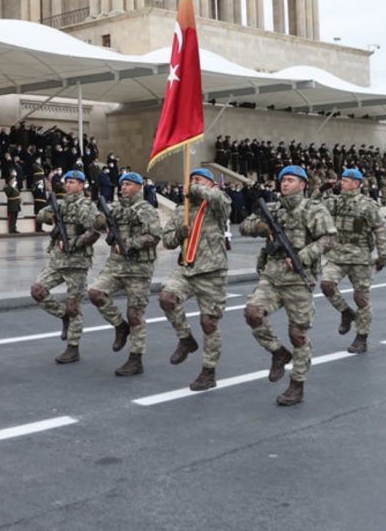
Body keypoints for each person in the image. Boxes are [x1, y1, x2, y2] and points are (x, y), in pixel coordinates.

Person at [239, 165, 336, 406]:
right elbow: (244, 226)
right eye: (283, 180)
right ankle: (277, 352)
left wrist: (302, 256)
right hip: (272, 276)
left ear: (302, 185)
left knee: (298, 334)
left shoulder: (314, 209)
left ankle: (297, 384)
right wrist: (261, 227)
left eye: (291, 180)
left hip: (298, 281)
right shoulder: (272, 208)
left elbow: (329, 239)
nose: (285, 184)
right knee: (252, 313)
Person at [158, 167, 232, 391]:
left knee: (209, 323)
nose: (192, 184)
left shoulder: (217, 205)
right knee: (167, 298)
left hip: (212, 272)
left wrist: (197, 188)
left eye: (199, 180)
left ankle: (208, 372)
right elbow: (168, 241)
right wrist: (181, 233)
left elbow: (221, 201)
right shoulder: (183, 210)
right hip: (187, 268)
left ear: (210, 184)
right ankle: (185, 338)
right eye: (191, 181)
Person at [88, 172, 162, 377]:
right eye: (122, 185)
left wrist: (131, 244)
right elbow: (98, 224)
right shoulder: (116, 208)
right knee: (95, 293)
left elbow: (155, 235)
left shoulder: (146, 209)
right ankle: (120, 326)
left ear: (139, 187)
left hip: (139, 269)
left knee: (135, 314)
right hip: (116, 266)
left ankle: (136, 358)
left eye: (128, 184)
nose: (123, 188)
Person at [32, 170, 106, 364]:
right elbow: (40, 215)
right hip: (57, 261)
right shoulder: (61, 204)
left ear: (82, 185)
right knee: (37, 290)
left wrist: (73, 243)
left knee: (74, 305)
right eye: (67, 182)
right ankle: (62, 315)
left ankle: (73, 347)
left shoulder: (87, 206)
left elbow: (94, 232)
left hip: (77, 262)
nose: (68, 185)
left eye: (72, 182)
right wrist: (50, 216)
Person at [320, 168, 386, 353]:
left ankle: (361, 337)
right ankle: (346, 312)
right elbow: (313, 206)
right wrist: (321, 189)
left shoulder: (368, 205)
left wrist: (382, 256)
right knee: (326, 284)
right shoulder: (334, 201)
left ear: (357, 183)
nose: (342, 183)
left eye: (347, 180)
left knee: (361, 298)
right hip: (337, 254)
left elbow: (380, 229)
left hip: (360, 257)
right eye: (342, 180)